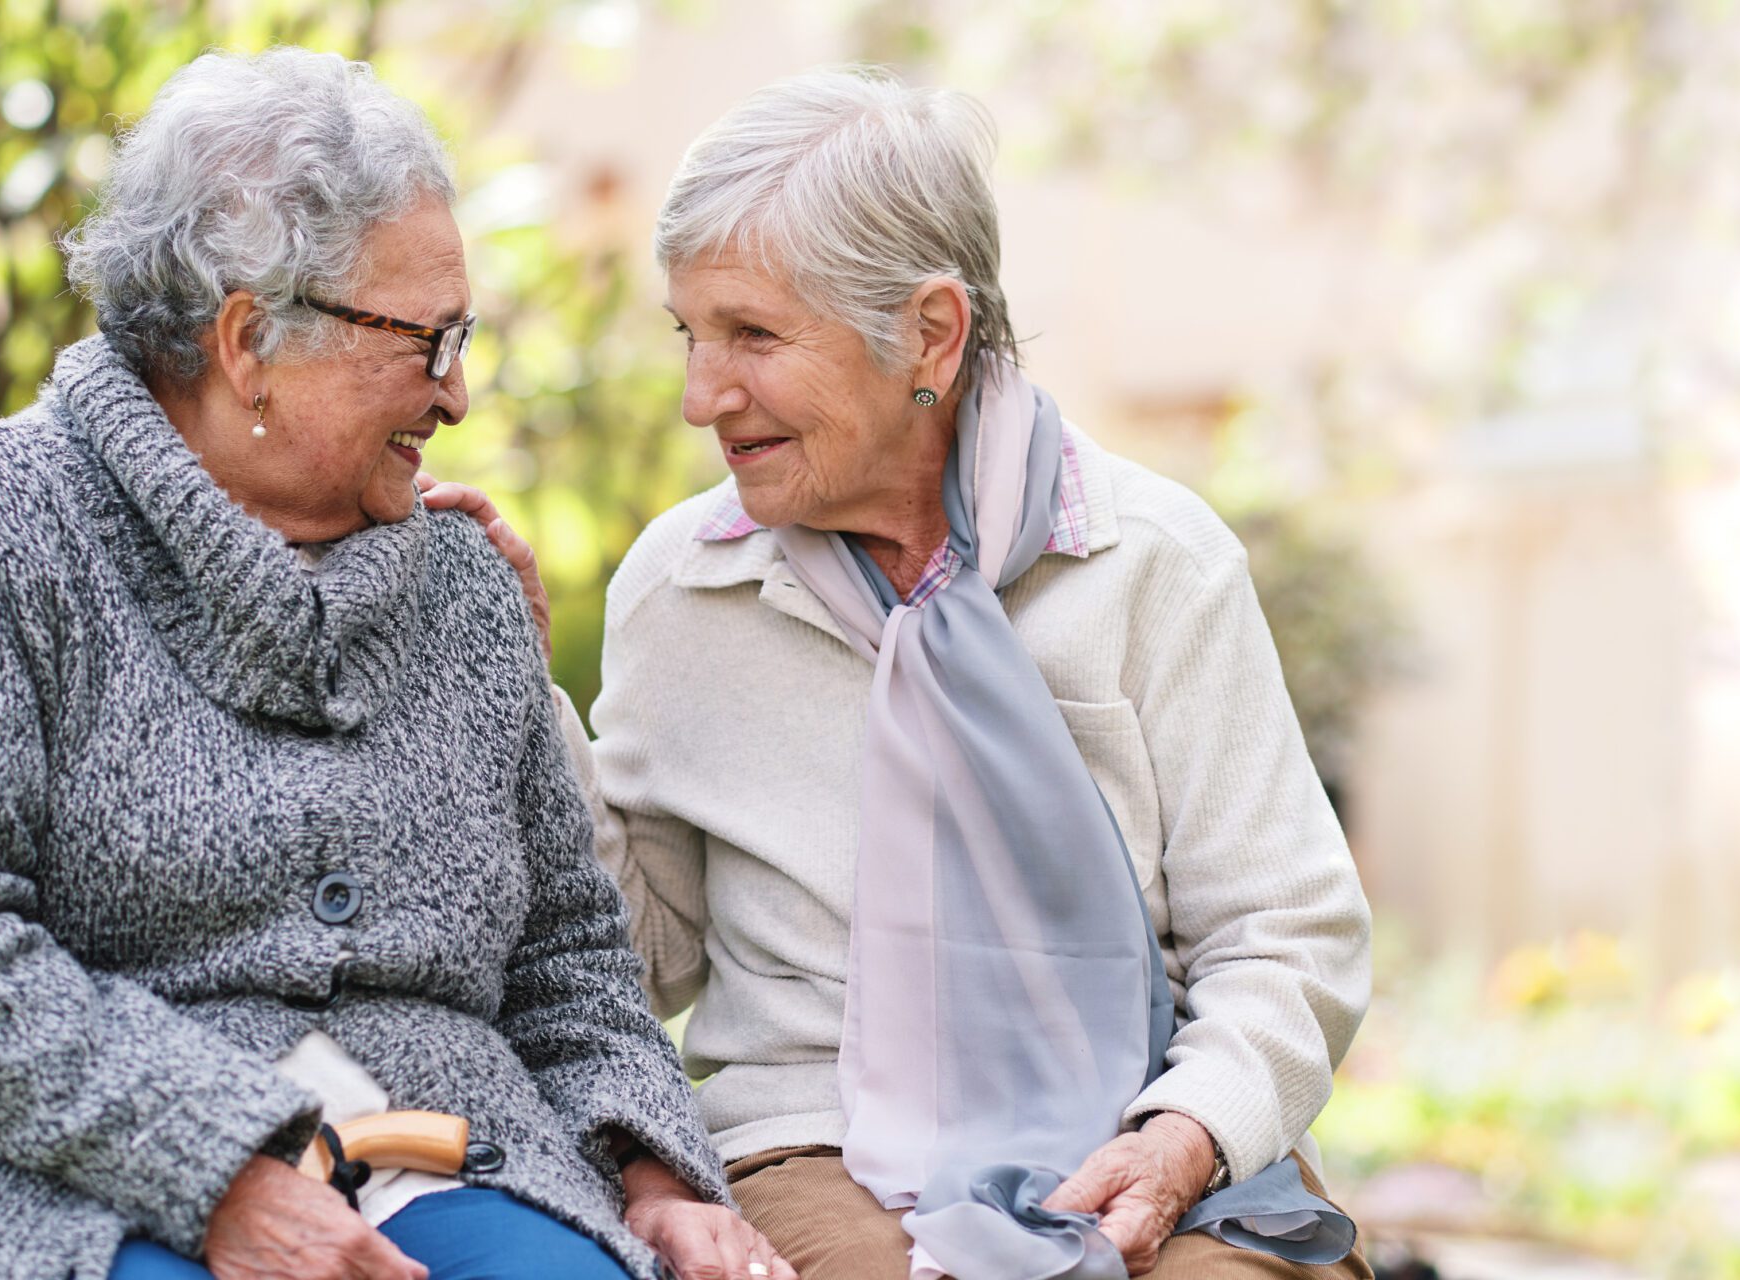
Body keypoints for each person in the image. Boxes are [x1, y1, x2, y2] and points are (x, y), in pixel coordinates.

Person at [0, 48, 789, 1280]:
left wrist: (657, 1180)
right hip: (45, 1168)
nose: (456, 393)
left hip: (445, 1149)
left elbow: (566, 953)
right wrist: (216, 1166)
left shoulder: (458, 583)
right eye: (428, 340)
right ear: (248, 341)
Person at [429, 67, 1375, 1280]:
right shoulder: (683, 588)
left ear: (928, 332)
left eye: (754, 335)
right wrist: (519, 692)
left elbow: (1284, 931)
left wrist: (1183, 1136)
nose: (699, 396)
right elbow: (640, 954)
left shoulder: (1154, 564)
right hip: (811, 1141)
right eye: (691, 334)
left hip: (1147, 1127)